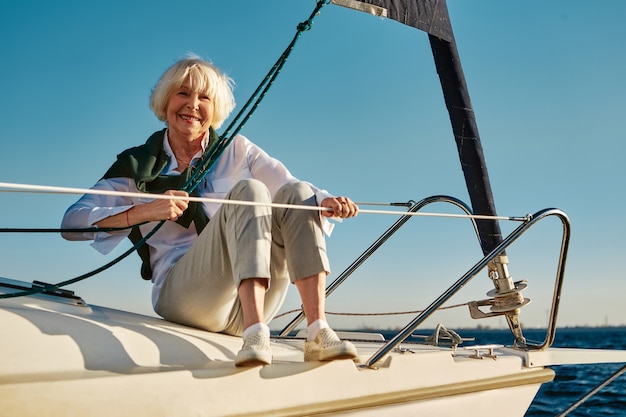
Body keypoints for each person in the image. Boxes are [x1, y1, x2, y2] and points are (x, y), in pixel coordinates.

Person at [61, 55, 359, 367]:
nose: (192, 104)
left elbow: (291, 186)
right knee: (248, 192)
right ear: (166, 100)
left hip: (247, 301)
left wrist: (325, 202)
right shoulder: (136, 163)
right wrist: (145, 210)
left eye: (204, 97)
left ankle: (318, 330)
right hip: (185, 297)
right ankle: (256, 335)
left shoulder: (236, 149)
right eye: (183, 93)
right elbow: (71, 224)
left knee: (299, 194)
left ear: (214, 109)